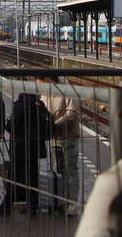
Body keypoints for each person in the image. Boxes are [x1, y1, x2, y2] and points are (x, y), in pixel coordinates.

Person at [0, 92, 45, 215]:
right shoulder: (39, 104)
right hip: (35, 147)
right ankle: (33, 206)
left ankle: (7, 205)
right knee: (32, 177)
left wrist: (6, 125)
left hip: (20, 147)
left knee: (14, 176)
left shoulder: (20, 105)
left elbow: (11, 126)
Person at [37, 75, 80, 216]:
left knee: (70, 170)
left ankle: (72, 203)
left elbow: (72, 112)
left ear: (49, 80)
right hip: (53, 137)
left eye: (42, 84)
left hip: (68, 136)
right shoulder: (44, 92)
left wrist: (55, 124)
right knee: (58, 170)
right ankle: (60, 201)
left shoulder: (67, 89)